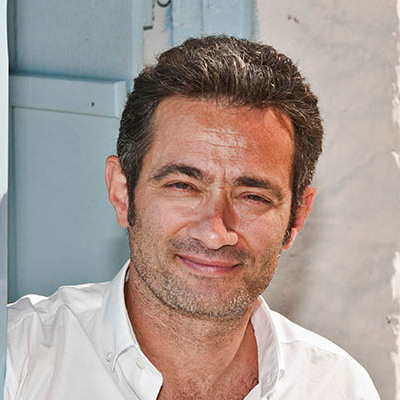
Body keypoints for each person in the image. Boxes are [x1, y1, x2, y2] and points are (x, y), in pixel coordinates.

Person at [5, 36, 380, 399]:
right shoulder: (18, 357)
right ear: (122, 192)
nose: (215, 232)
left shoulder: (337, 387)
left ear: (296, 218)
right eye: (183, 186)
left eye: (253, 196)